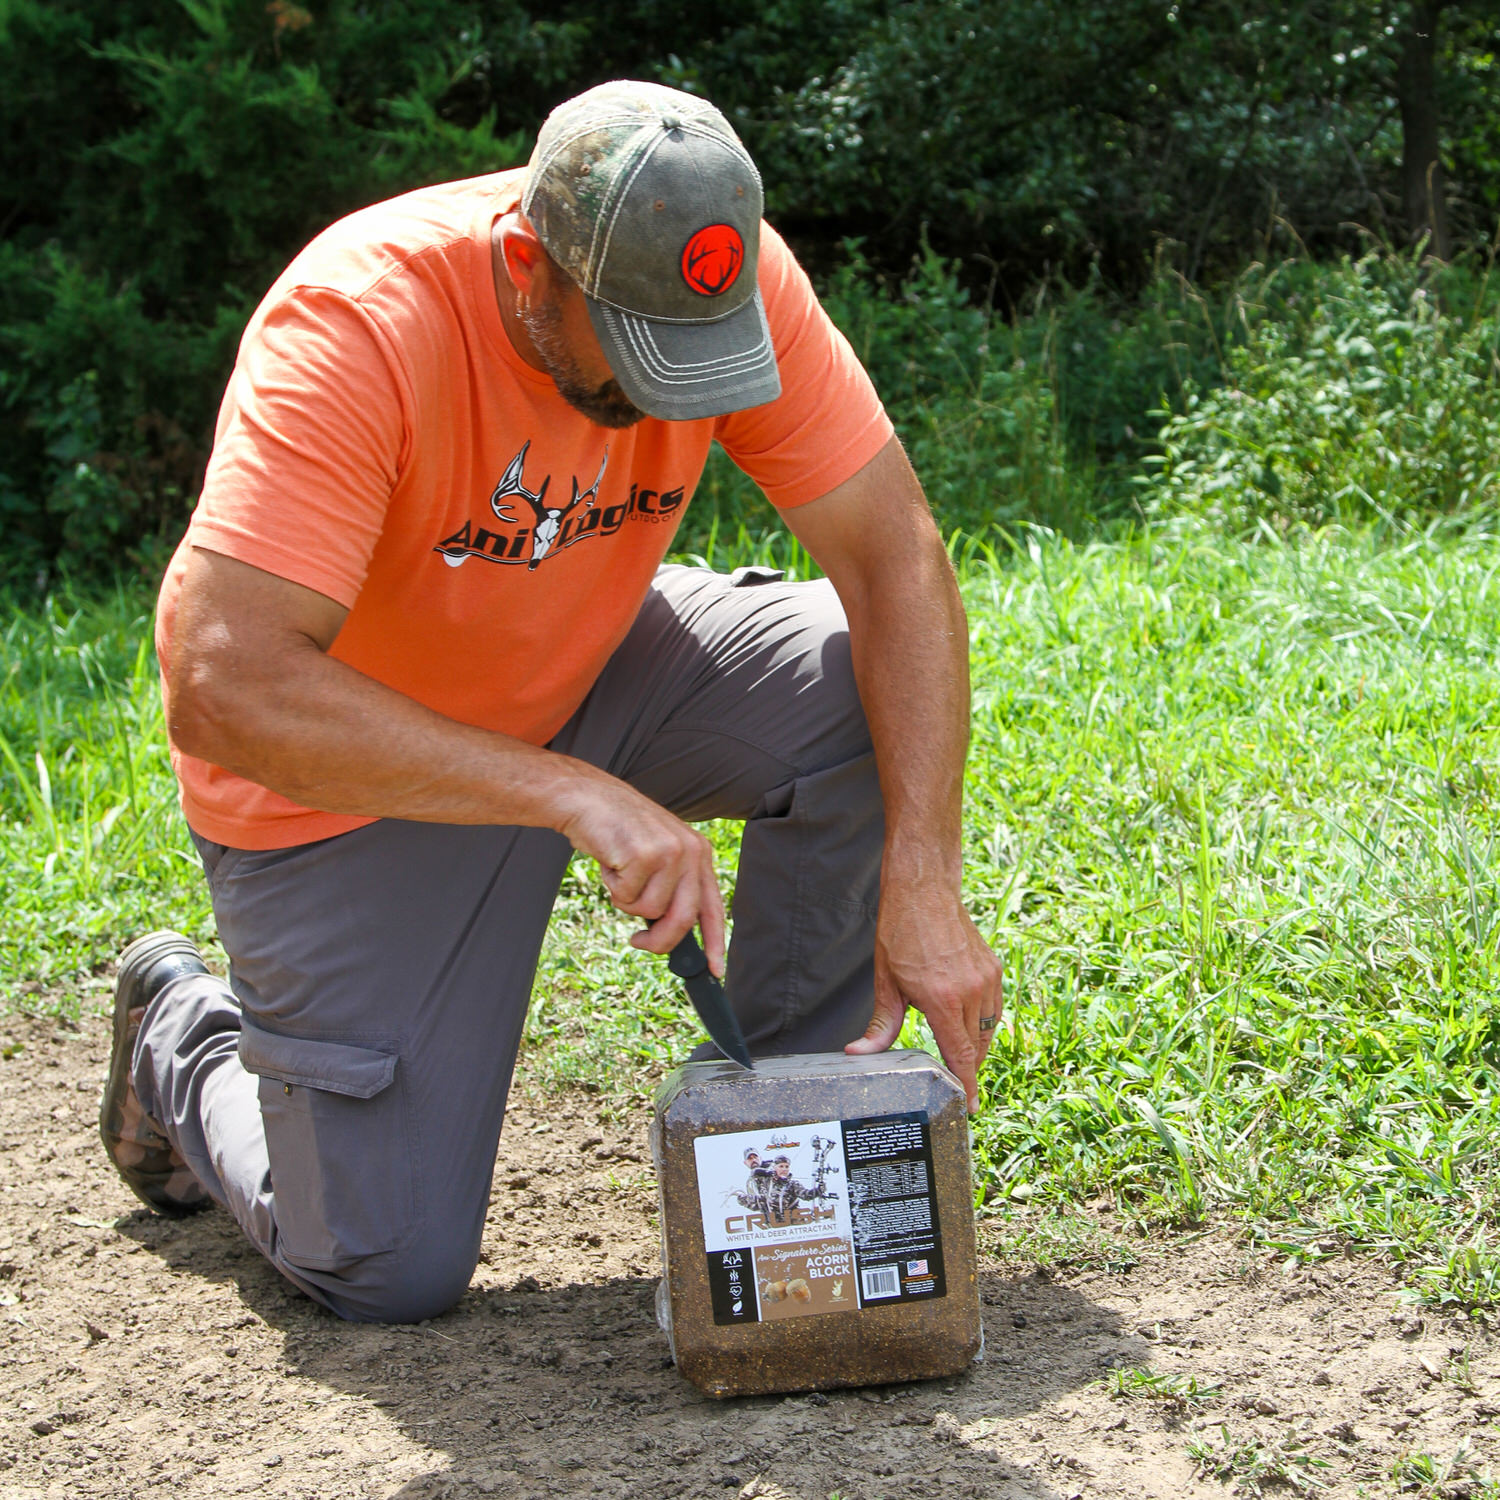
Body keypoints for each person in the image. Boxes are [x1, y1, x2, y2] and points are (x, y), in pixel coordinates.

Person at [98, 80, 1003, 1324]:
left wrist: (925, 872)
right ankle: (181, 1038)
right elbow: (224, 686)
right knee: (384, 1266)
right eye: (635, 354)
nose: (675, 390)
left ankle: (790, 1142)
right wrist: (571, 794)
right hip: (349, 778)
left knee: (852, 670)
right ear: (529, 263)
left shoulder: (719, 274)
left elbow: (893, 550)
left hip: (584, 670)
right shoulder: (358, 324)